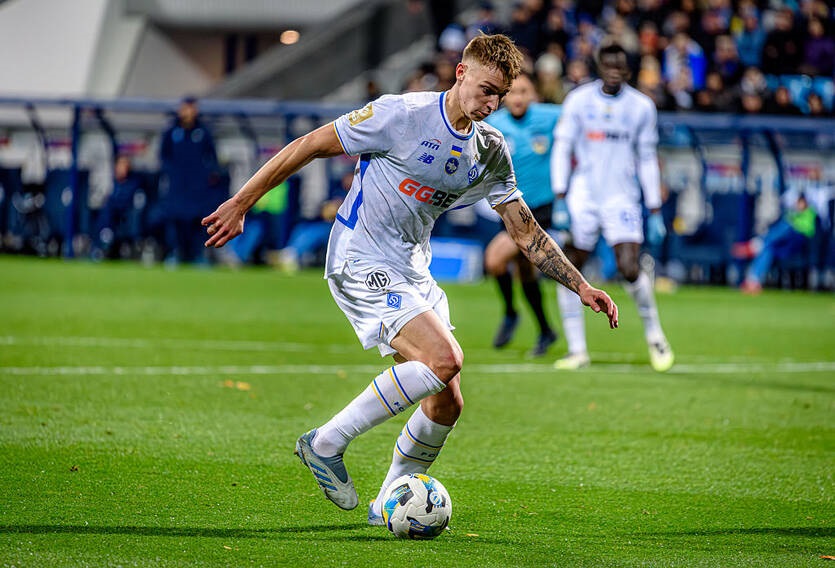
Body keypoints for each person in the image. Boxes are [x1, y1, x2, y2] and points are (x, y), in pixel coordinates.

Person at [202, 34, 618, 524]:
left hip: (413, 268)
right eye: (486, 90)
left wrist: (581, 285)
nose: (492, 104)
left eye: (501, 95)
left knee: (447, 403)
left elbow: (525, 232)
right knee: (445, 359)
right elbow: (309, 145)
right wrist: (241, 202)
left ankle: (386, 502)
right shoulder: (400, 114)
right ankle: (325, 442)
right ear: (461, 73)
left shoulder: (489, 148)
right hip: (361, 256)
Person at [550, 42, 673, 372]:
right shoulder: (579, 100)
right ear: (599, 67)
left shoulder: (642, 107)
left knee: (630, 267)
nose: (614, 71)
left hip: (622, 197)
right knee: (569, 268)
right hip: (583, 196)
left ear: (629, 69)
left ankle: (656, 337)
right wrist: (561, 196)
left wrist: (655, 208)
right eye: (609, 65)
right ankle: (577, 350)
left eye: (620, 66)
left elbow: (646, 158)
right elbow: (562, 148)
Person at [484, 71, 561, 357]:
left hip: (541, 207)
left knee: (494, 260)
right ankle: (545, 330)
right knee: (525, 272)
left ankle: (510, 313)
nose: (518, 98)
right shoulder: (495, 124)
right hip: (511, 207)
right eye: (513, 92)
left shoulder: (549, 117)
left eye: (524, 91)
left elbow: (579, 119)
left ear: (534, 95)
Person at [159, 96, 222, 265]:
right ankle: (176, 252)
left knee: (198, 219)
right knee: (175, 219)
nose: (187, 112)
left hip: (197, 186)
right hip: (177, 185)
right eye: (185, 108)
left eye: (191, 108)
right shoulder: (172, 132)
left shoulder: (203, 132)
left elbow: (212, 157)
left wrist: (208, 174)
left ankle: (198, 254)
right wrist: (171, 173)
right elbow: (164, 156)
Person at [733, 189, 820, 295]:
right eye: (798, 202)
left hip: (798, 243)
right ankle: (753, 281)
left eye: (802, 202)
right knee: (767, 250)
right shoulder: (792, 213)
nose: (799, 205)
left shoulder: (810, 213)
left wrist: (793, 221)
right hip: (784, 244)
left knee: (786, 227)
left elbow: (805, 230)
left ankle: (756, 245)